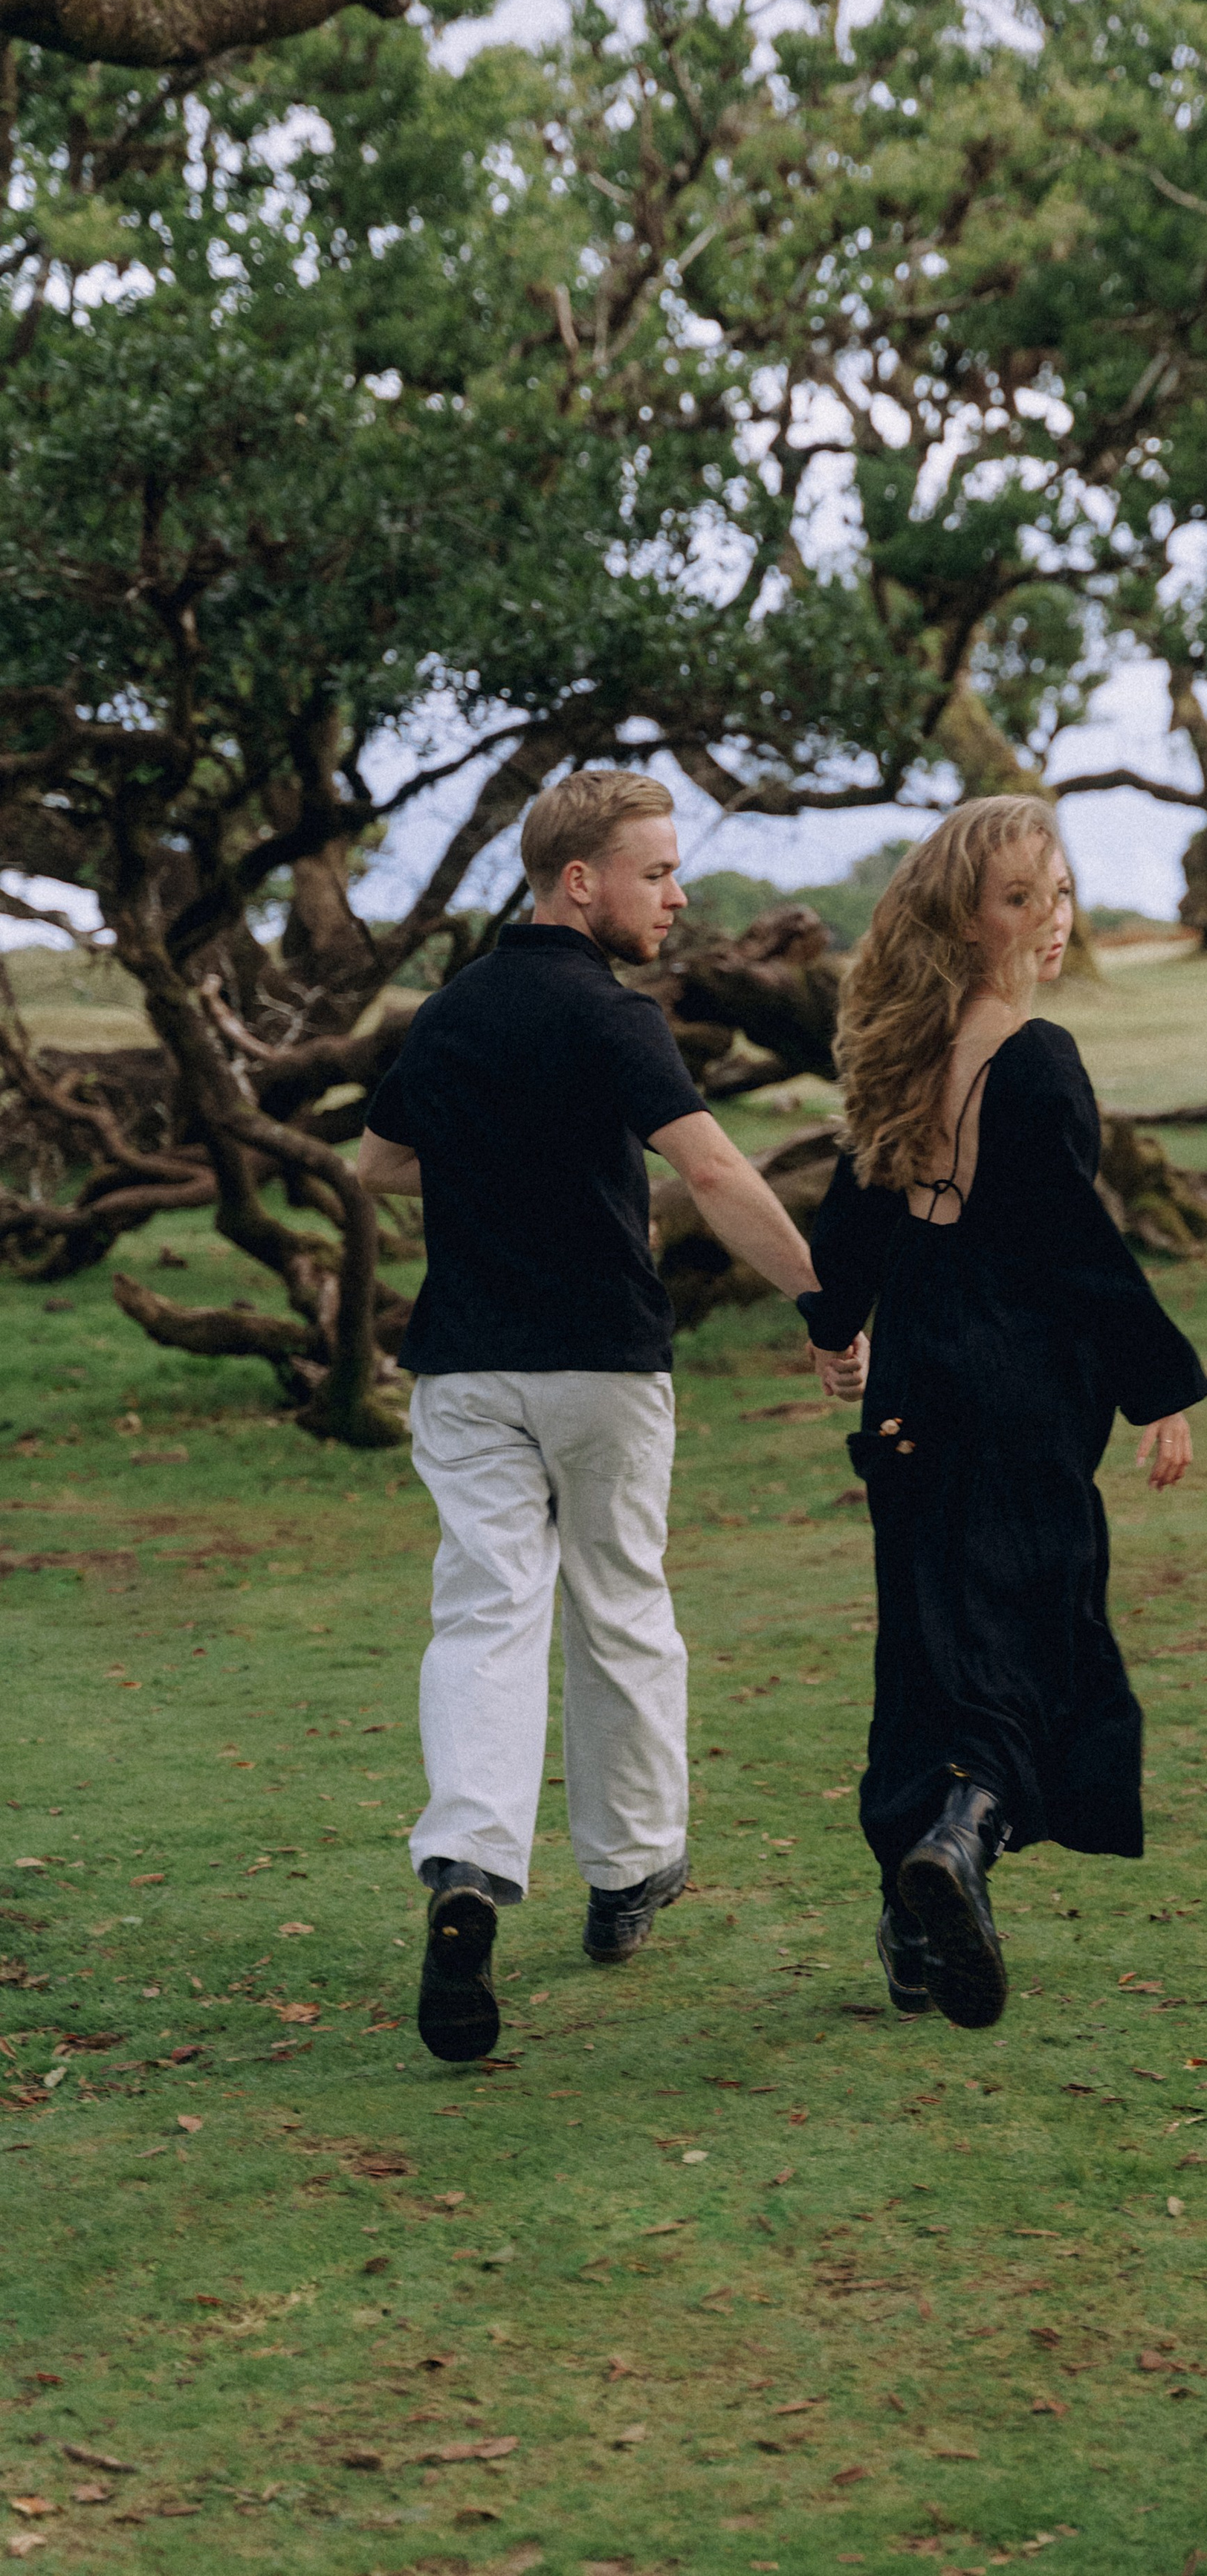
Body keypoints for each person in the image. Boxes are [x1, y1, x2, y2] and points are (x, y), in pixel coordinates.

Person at [358, 769, 865, 2065]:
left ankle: (468, 1868)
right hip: (600, 1365)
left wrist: (493, 1159)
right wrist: (824, 1302)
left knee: (483, 1610)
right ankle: (630, 1874)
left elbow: (379, 1164)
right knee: (621, 1606)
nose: (677, 896)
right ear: (580, 880)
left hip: (465, 1367)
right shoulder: (616, 1018)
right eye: (658, 873)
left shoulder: (451, 1010)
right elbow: (711, 1166)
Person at [801, 795, 1207, 2030]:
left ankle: (908, 1926)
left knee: (926, 1643)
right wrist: (1162, 1388)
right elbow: (1072, 1244)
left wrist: (837, 1330)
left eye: (1063, 893)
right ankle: (964, 1837)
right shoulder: (1035, 1061)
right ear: (963, 921)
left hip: (919, 1384)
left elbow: (848, 1228)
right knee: (1035, 1632)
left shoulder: (901, 1059)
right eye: (1020, 900)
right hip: (1020, 1387)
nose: (1051, 923)